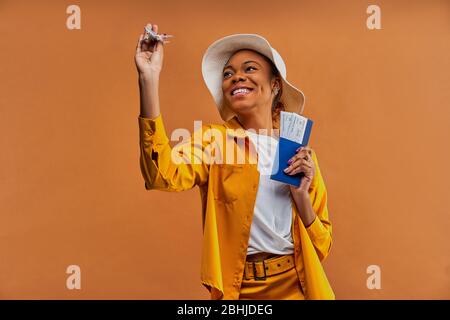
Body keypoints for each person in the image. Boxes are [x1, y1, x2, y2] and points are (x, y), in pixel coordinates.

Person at [135, 23, 335, 300]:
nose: (236, 77)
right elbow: (160, 175)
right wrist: (149, 78)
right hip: (237, 290)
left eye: (249, 69)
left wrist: (301, 199)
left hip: (298, 286)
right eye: (228, 74)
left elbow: (322, 245)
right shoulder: (214, 141)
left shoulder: (297, 151)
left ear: (275, 85)